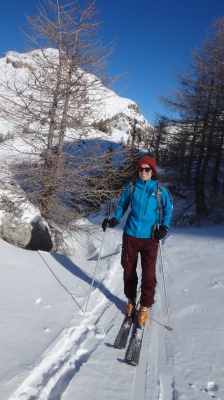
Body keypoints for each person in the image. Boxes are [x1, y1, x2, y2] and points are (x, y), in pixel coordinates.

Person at [102, 156, 172, 326]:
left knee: (148, 274)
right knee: (128, 270)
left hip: (150, 237)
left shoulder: (160, 190)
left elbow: (168, 209)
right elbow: (122, 206)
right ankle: (131, 300)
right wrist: (114, 220)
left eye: (147, 169)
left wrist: (164, 227)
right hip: (131, 235)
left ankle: (145, 305)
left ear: (152, 171)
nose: (144, 172)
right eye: (141, 169)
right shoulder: (132, 187)